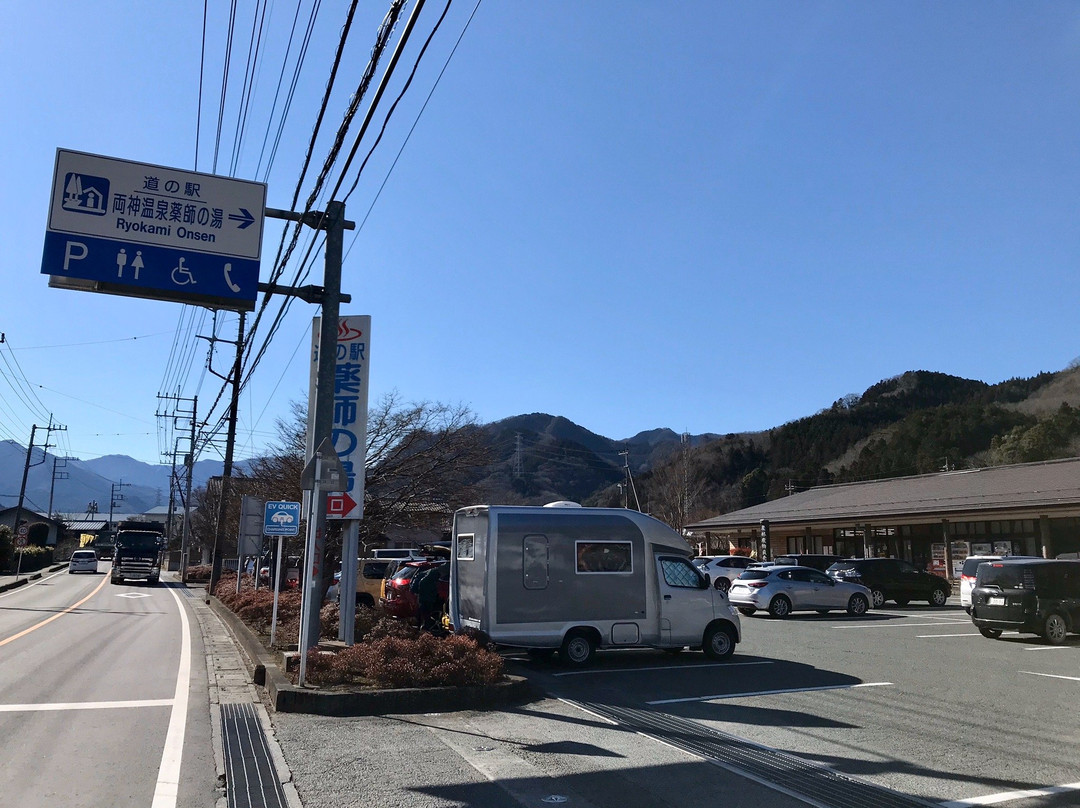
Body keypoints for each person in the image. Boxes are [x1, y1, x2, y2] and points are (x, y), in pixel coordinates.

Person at [412, 564, 444, 630]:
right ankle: (426, 629)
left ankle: (422, 628)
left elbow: (414, 588)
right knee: (427, 614)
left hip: (423, 598)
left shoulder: (422, 575)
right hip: (428, 599)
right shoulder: (433, 575)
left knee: (423, 614)